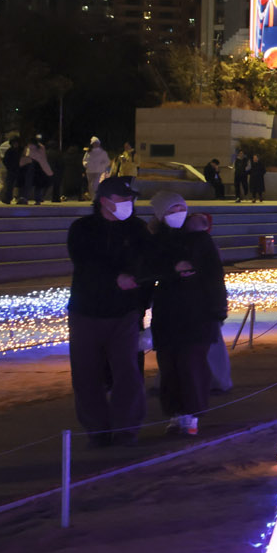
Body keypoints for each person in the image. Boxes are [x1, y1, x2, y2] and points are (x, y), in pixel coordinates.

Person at [66, 176, 153, 447]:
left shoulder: (137, 229)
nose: (129, 204)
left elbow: (148, 264)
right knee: (86, 374)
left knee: (127, 372)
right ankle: (97, 430)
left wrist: (141, 297)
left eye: (131, 199)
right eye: (123, 199)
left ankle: (127, 428)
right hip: (87, 312)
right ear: (104, 202)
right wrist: (114, 279)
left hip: (125, 312)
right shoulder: (83, 229)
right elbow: (84, 264)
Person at [144, 193, 227, 437]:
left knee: (192, 365)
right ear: (160, 215)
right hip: (168, 313)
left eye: (181, 208)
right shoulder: (155, 240)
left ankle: (191, 416)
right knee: (170, 366)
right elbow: (147, 269)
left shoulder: (200, 240)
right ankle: (174, 414)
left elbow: (214, 276)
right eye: (172, 209)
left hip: (198, 313)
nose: (178, 212)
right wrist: (172, 270)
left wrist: (218, 310)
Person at [0, 132, 22, 204]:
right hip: (13, 170)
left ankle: (8, 197)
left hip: (12, 169)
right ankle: (11, 197)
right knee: (10, 184)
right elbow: (6, 160)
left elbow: (4, 159)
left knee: (9, 184)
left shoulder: (9, 150)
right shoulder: (15, 151)